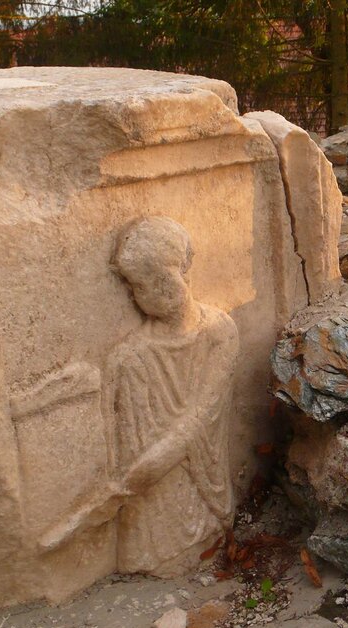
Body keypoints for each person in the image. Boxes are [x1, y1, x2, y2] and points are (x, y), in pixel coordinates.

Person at [39, 217, 238, 576]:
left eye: (144, 284)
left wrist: (116, 494)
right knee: (151, 547)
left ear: (177, 276)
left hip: (182, 480)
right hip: (149, 503)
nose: (136, 296)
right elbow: (124, 446)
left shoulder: (220, 332)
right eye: (133, 287)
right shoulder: (128, 358)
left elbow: (196, 423)